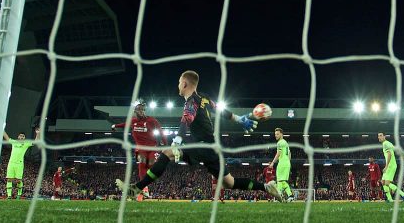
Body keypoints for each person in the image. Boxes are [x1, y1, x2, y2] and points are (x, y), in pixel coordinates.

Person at [116, 70, 281, 201]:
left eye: (179, 82)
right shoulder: (204, 98)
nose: (178, 84)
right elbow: (221, 111)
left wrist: (177, 141)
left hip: (203, 144)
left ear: (185, 83)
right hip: (211, 147)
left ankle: (136, 189)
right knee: (230, 183)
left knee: (167, 153)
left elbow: (186, 119)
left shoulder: (191, 102)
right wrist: (239, 119)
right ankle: (267, 187)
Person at [112, 102, 166, 201]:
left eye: (143, 110)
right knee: (142, 165)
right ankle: (144, 189)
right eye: (139, 110)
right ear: (135, 112)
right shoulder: (133, 121)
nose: (141, 112)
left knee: (151, 165)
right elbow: (125, 124)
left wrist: (165, 144)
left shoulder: (152, 120)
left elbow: (161, 131)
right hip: (140, 149)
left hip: (152, 148)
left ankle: (141, 188)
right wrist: (115, 125)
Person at [3, 127, 40, 199]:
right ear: (18, 137)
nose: (21, 137)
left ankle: (19, 195)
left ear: (24, 138)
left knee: (18, 180)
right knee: (9, 179)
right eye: (20, 136)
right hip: (11, 163)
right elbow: (7, 138)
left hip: (19, 164)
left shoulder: (26, 144)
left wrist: (37, 134)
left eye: (23, 136)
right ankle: (9, 196)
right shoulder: (14, 142)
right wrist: (2, 130)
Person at [378, 133, 404, 202]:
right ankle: (390, 199)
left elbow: (389, 154)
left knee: (387, 183)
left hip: (391, 165)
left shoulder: (385, 144)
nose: (379, 137)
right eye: (378, 136)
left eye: (380, 136)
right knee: (383, 182)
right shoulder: (389, 143)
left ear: (384, 136)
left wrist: (386, 166)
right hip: (391, 165)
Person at [269, 128, 294, 202]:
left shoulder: (279, 143)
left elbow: (278, 153)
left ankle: (283, 196)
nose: (276, 136)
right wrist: (288, 163)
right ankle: (288, 196)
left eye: (277, 134)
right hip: (286, 163)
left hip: (282, 163)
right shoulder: (285, 143)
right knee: (281, 181)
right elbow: (289, 153)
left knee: (280, 180)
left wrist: (273, 162)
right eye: (275, 134)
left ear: (281, 134)